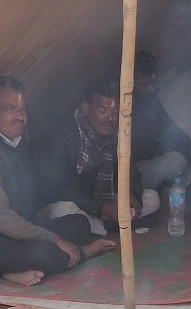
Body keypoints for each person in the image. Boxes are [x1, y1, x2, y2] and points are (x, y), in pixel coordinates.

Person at [0, 76, 114, 286]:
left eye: (22, 109)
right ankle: (79, 254)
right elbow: (4, 220)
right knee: (43, 252)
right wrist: (58, 241)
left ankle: (12, 269)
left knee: (79, 224)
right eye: (10, 108)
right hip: (3, 237)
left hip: (22, 230)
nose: (20, 116)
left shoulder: (19, 142)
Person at [37, 77, 159, 236]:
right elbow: (55, 189)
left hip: (104, 204)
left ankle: (104, 227)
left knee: (152, 198)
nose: (110, 118)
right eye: (102, 110)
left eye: (115, 111)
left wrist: (132, 195)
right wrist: (101, 206)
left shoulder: (117, 136)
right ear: (85, 108)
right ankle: (109, 228)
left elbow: (131, 173)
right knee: (63, 210)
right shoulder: (64, 136)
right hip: (75, 204)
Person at [132, 51, 191, 190]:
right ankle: (175, 188)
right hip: (135, 172)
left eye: (152, 83)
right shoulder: (123, 108)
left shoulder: (150, 99)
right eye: (144, 85)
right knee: (176, 161)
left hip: (160, 158)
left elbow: (169, 127)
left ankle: (179, 185)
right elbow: (151, 144)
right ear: (130, 82)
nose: (150, 89)